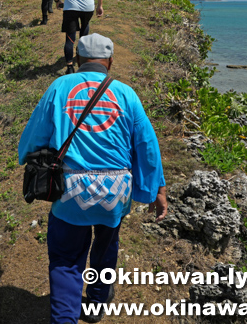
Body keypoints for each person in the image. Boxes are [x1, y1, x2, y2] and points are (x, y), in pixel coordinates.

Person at [18, 33, 167, 324]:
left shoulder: (60, 87)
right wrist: (156, 189)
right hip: (116, 191)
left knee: (66, 258)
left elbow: (34, 136)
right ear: (110, 62)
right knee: (106, 244)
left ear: (78, 59)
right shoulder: (126, 94)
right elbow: (147, 146)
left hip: (72, 190)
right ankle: (97, 302)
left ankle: (65, 319)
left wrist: (27, 156)